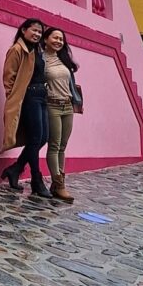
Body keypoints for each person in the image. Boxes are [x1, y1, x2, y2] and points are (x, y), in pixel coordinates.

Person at [0, 18, 51, 198]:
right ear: (23, 30)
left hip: (41, 97)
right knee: (35, 138)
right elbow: (8, 78)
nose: (37, 34)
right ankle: (36, 180)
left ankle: (16, 168)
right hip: (28, 96)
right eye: (34, 30)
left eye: (40, 32)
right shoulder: (17, 50)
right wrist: (15, 99)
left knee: (43, 138)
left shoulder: (37, 50)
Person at [42, 26, 81, 203]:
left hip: (67, 106)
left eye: (61, 39)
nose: (58, 41)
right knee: (54, 145)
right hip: (52, 106)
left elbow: (71, 83)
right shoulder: (41, 59)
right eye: (55, 38)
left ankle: (58, 182)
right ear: (45, 39)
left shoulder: (64, 59)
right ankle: (59, 185)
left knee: (63, 146)